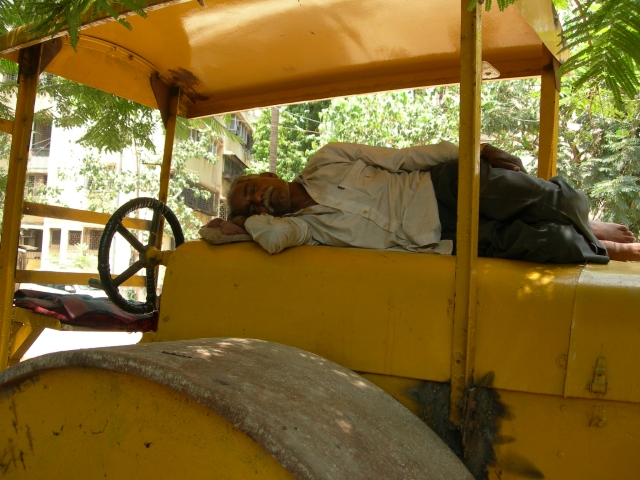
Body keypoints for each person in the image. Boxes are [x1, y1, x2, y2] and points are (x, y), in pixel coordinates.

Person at [203, 141, 640, 263]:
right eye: (252, 202)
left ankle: (599, 231)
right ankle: (605, 246)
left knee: (558, 201)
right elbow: (273, 242)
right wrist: (244, 224)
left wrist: (471, 152)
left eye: (253, 187)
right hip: (438, 239)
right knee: (554, 246)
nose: (259, 196)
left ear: (268, 174)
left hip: (441, 186)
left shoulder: (327, 158)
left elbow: (403, 159)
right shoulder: (303, 230)